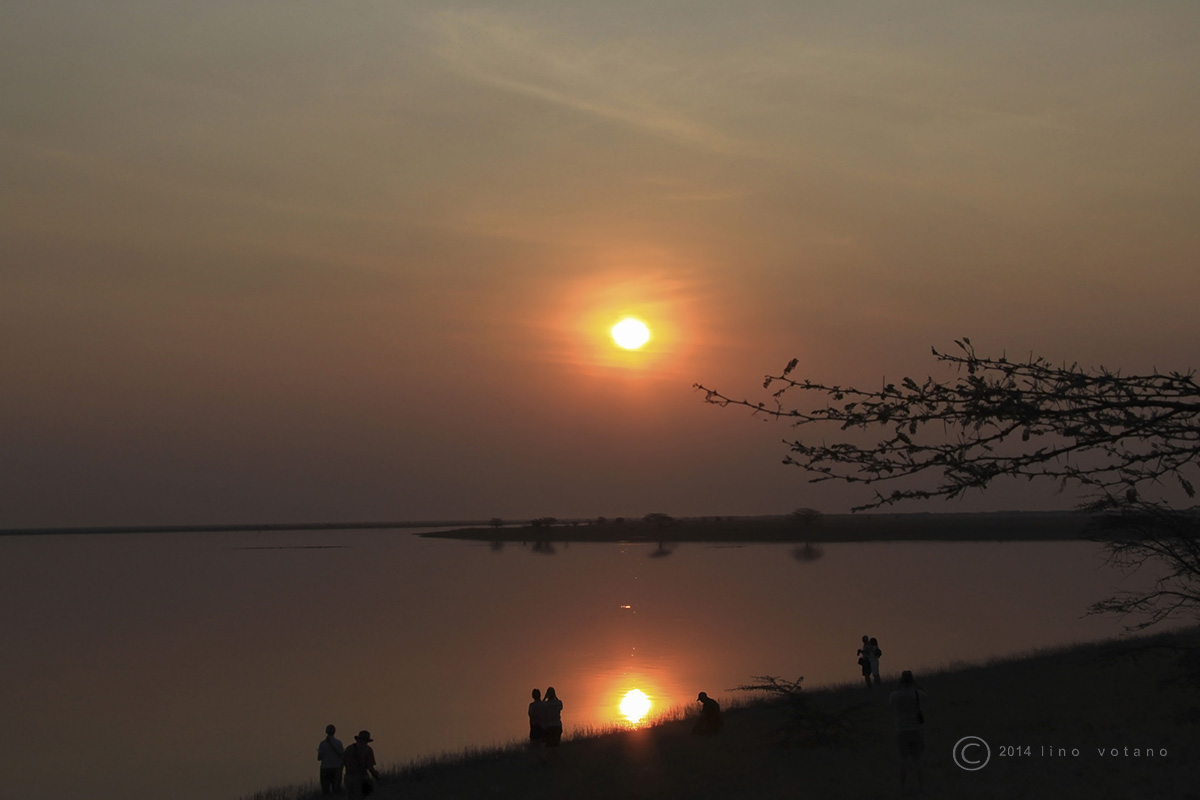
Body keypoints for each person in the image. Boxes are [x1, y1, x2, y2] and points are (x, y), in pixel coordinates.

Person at [888, 671, 927, 795]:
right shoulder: (917, 693)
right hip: (915, 730)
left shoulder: (895, 695)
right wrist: (918, 685)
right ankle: (921, 787)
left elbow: (890, 704)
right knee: (917, 761)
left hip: (901, 730)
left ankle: (902, 789)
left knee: (903, 761)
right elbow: (926, 695)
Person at [343, 730, 380, 799]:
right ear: (367, 740)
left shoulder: (349, 748)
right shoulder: (368, 750)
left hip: (348, 777)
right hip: (361, 777)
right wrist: (376, 776)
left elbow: (342, 764)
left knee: (349, 797)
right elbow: (370, 767)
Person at [317, 724, 345, 795]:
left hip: (325, 768)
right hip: (336, 768)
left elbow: (319, 758)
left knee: (325, 791)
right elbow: (342, 755)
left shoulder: (322, 744)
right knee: (336, 790)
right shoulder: (339, 743)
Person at [541, 687, 564, 756]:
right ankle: (556, 759)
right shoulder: (558, 703)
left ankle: (550, 759)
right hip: (557, 725)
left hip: (549, 727)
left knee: (549, 746)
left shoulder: (545, 705)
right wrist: (556, 697)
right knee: (556, 745)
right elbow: (561, 706)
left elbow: (541, 707)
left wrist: (544, 698)